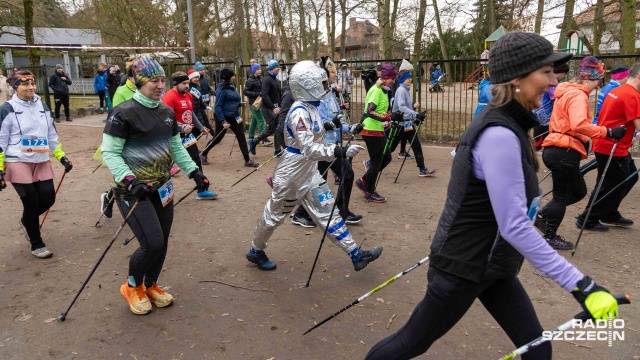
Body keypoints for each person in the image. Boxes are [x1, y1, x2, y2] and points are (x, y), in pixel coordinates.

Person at [365, 31, 622, 360]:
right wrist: (581, 286)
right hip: (463, 269)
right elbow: (515, 224)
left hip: (493, 265)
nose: (552, 81)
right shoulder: (499, 133)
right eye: (545, 72)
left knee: (537, 350)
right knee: (406, 346)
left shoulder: (510, 126)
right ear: (517, 78)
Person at [245, 60, 382, 272]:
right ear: (307, 85)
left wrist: (332, 125)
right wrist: (340, 152)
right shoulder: (300, 111)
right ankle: (256, 250)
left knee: (328, 211)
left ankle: (356, 254)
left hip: (309, 172)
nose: (324, 85)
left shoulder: (311, 107)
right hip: (291, 174)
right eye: (320, 82)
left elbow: (314, 132)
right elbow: (309, 148)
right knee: (274, 216)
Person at [101, 55, 212, 315]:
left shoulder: (165, 112)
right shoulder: (123, 112)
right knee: (151, 243)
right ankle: (132, 287)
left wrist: (194, 171)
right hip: (133, 191)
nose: (160, 85)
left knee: (162, 241)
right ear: (138, 82)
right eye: (154, 80)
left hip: (163, 188)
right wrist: (130, 180)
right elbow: (110, 153)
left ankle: (150, 285)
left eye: (162, 80)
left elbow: (175, 146)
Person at [535, 56, 626, 250]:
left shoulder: (567, 92)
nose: (598, 86)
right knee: (563, 195)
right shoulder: (578, 95)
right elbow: (578, 124)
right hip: (564, 150)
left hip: (556, 148)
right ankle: (549, 235)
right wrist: (608, 132)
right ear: (591, 78)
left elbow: (570, 122)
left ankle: (542, 216)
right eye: (599, 81)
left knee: (578, 192)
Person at [0, 70, 73, 259]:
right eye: (25, 84)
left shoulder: (43, 106)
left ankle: (27, 221)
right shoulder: (7, 108)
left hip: (40, 159)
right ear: (15, 87)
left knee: (48, 199)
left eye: (32, 83)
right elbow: (1, 140)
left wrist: (61, 156)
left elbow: (51, 135)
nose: (31, 87)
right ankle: (36, 243)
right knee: (31, 201)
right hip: (17, 160)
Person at [290, 57, 363, 228]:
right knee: (326, 179)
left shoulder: (330, 94)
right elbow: (320, 124)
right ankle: (303, 213)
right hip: (322, 147)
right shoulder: (319, 98)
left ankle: (337, 211)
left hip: (331, 146)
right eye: (332, 72)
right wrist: (333, 124)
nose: (336, 74)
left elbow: (336, 120)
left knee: (331, 177)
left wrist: (350, 128)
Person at [575, 63, 640, 230]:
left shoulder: (619, 91)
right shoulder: (631, 95)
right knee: (610, 184)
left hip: (614, 145)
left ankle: (609, 212)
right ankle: (588, 219)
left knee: (630, 176)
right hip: (612, 146)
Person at [162, 71, 220, 201]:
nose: (187, 86)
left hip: (188, 136)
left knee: (196, 160)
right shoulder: (169, 97)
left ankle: (202, 189)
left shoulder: (188, 95)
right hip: (172, 136)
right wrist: (182, 127)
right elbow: (165, 119)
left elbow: (191, 113)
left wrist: (201, 127)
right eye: (183, 83)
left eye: (187, 83)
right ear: (176, 84)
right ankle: (161, 194)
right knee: (166, 165)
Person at [354, 64, 399, 203]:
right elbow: (370, 111)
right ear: (385, 77)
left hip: (378, 129)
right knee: (377, 161)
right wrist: (388, 117)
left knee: (386, 158)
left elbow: (382, 111)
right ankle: (369, 190)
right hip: (370, 129)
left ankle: (364, 181)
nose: (393, 81)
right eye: (392, 78)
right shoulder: (376, 90)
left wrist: (394, 115)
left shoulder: (384, 91)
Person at [99, 67, 138, 219]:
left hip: (142, 138)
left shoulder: (145, 90)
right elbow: (116, 116)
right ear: (130, 77)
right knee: (126, 173)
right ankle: (109, 198)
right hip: (126, 139)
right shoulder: (121, 92)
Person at [200, 68, 259, 168]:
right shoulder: (221, 90)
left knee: (241, 137)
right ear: (228, 77)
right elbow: (218, 106)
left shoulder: (232, 87)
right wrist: (223, 121)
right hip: (223, 117)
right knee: (217, 138)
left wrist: (240, 104)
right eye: (232, 76)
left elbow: (232, 101)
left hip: (235, 116)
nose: (234, 77)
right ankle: (204, 153)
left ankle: (247, 160)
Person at [390, 68, 436, 177]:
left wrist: (415, 118)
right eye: (408, 78)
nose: (410, 79)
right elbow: (401, 107)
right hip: (399, 125)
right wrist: (415, 114)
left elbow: (407, 107)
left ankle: (422, 169)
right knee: (390, 148)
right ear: (403, 79)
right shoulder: (401, 90)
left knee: (416, 146)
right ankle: (372, 163)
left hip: (408, 124)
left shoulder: (406, 90)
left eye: (410, 77)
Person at [532, 63, 570, 149]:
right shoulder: (551, 85)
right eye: (565, 74)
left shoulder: (548, 81)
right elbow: (555, 99)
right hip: (545, 118)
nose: (564, 76)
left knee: (542, 140)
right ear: (560, 73)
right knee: (538, 142)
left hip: (541, 115)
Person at [249, 59, 282, 156]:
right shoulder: (267, 79)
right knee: (272, 129)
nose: (278, 69)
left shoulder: (275, 80)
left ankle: (277, 150)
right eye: (277, 67)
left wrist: (279, 105)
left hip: (275, 108)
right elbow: (264, 95)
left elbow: (278, 94)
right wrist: (273, 107)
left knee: (278, 128)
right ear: (271, 68)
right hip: (267, 108)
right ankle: (255, 140)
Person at [244, 63, 269, 149]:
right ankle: (263, 138)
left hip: (259, 102)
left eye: (260, 69)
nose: (260, 70)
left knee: (254, 120)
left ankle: (251, 137)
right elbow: (246, 91)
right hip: (253, 103)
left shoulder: (261, 78)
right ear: (254, 70)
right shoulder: (250, 80)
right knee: (261, 120)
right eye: (258, 69)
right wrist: (257, 94)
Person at [187, 69, 211, 139]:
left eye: (198, 77)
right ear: (190, 78)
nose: (197, 79)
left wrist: (206, 106)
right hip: (192, 113)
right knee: (193, 134)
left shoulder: (197, 87)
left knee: (198, 132)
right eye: (195, 78)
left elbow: (200, 100)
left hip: (198, 112)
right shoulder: (188, 88)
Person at [195, 61, 215, 134]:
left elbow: (208, 88)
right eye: (201, 70)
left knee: (203, 120)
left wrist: (215, 93)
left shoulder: (205, 78)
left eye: (203, 69)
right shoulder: (196, 80)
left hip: (205, 102)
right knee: (204, 120)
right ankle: (214, 135)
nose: (203, 71)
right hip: (198, 103)